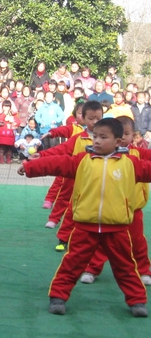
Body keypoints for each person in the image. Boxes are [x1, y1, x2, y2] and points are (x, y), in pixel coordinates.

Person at [18, 118, 151, 318]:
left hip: (117, 228)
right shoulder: (82, 160)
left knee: (125, 267)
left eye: (103, 137)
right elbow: (56, 164)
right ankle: (58, 296)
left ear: (118, 141)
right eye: (95, 136)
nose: (96, 140)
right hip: (84, 227)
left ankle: (137, 301)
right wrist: (30, 167)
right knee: (72, 263)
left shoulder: (131, 164)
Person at [80, 117, 150, 286]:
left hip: (133, 211)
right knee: (102, 243)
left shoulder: (138, 154)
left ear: (133, 136)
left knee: (137, 242)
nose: (124, 138)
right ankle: (92, 268)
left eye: (127, 134)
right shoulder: (98, 157)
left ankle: (143, 270)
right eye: (122, 133)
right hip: (110, 210)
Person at [33, 101, 103, 250]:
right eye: (91, 118)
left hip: (98, 181)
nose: (95, 121)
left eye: (98, 118)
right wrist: (41, 154)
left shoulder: (107, 137)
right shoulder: (78, 137)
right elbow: (61, 149)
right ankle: (63, 238)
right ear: (83, 118)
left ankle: (93, 244)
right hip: (76, 176)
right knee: (71, 206)